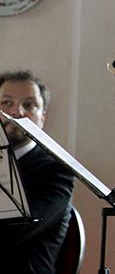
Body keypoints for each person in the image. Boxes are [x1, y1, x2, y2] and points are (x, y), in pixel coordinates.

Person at [0, 70, 75, 274]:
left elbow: (13, 231)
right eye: (6, 103)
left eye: (29, 105)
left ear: (42, 118)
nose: (17, 112)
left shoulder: (58, 171)